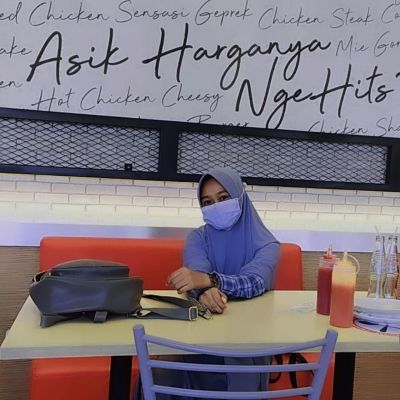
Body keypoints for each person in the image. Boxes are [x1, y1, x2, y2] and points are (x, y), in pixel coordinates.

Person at [161, 166, 280, 397]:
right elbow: (195, 273)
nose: (215, 206)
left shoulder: (268, 245)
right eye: (207, 202)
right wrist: (202, 289)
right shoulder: (198, 237)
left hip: (249, 340)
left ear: (240, 197)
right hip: (199, 337)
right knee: (162, 371)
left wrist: (209, 280)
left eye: (223, 198)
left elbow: (254, 282)